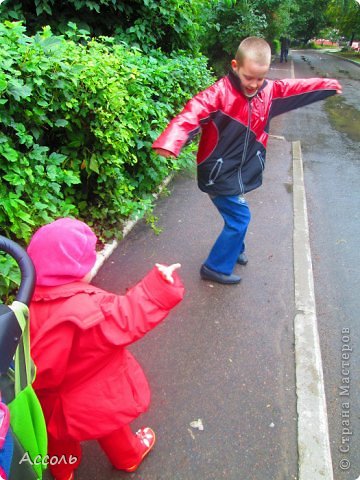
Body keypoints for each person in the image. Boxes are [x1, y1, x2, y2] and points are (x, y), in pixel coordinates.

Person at [153, 36, 342, 285]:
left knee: (236, 216)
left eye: (260, 78)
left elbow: (298, 88)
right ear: (235, 66)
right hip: (218, 173)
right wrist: (170, 141)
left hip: (241, 169)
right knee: (240, 217)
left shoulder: (268, 92)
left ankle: (234, 249)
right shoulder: (219, 94)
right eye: (248, 77)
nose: (254, 84)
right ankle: (215, 267)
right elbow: (192, 113)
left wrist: (328, 85)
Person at [27, 218, 184, 480]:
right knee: (113, 429)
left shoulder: (25, 306)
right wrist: (160, 283)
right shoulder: (91, 306)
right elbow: (129, 314)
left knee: (56, 433)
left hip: (52, 397)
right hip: (97, 393)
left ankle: (62, 469)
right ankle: (129, 458)